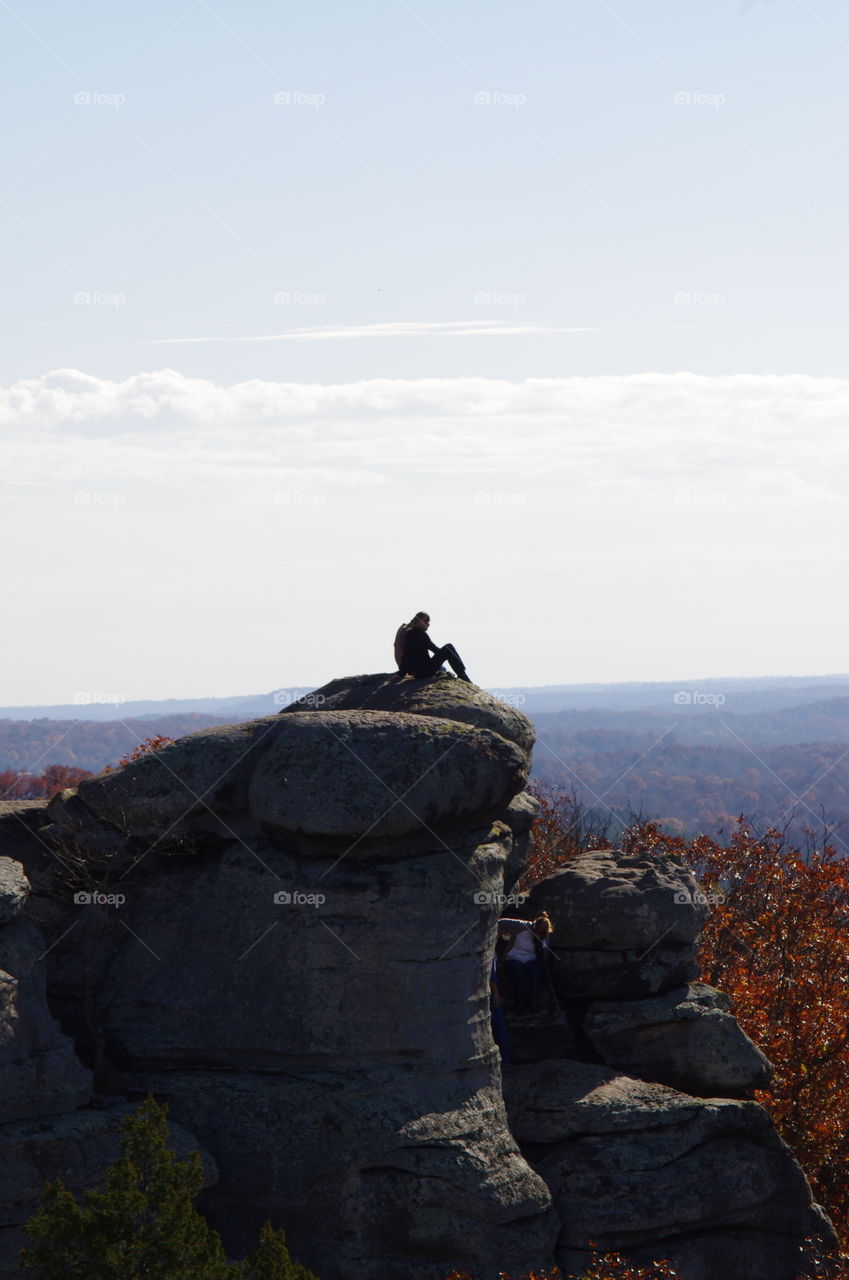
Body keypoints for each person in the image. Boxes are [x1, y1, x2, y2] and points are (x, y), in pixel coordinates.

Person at [498, 912, 554, 1013]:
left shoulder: (545, 935)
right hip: (513, 956)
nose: (540, 935)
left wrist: (544, 960)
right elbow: (502, 922)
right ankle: (519, 1004)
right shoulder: (521, 926)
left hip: (530, 958)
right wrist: (500, 937)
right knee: (519, 975)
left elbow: (545, 951)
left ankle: (531, 1005)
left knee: (533, 974)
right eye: (538, 933)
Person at [397, 611, 472, 682]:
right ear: (418, 621)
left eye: (429, 621)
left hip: (418, 673)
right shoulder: (420, 633)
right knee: (449, 647)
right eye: (426, 620)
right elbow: (434, 649)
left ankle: (462, 673)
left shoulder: (409, 634)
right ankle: (462, 675)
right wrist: (447, 654)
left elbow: (405, 655)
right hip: (425, 672)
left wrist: (401, 673)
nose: (428, 623)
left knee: (447, 650)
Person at [489, 954, 511, 1065]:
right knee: (499, 1026)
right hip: (491, 996)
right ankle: (505, 1061)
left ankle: (505, 1060)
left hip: (491, 994)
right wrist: (496, 994)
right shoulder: (491, 953)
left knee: (499, 1027)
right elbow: (491, 976)